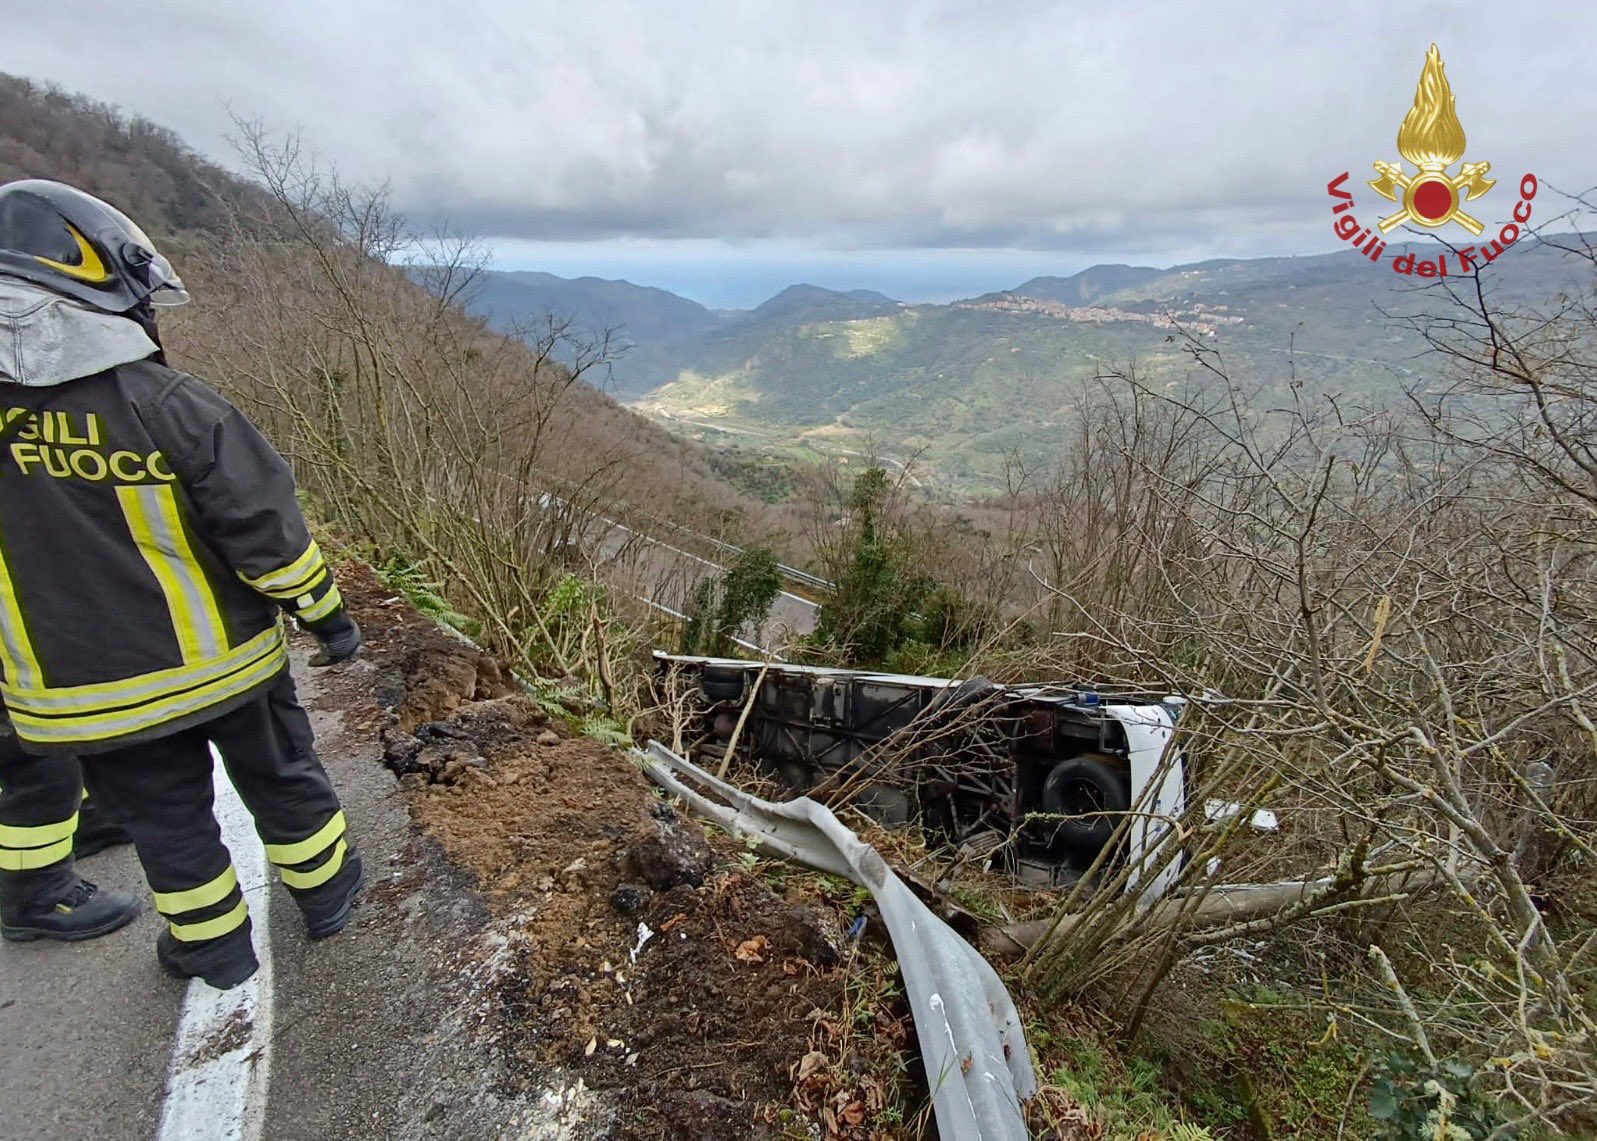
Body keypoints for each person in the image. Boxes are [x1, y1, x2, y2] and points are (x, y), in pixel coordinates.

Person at [0, 179, 364, 989]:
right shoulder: (166, 404)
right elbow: (266, 534)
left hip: (86, 697)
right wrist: (328, 615)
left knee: (169, 827)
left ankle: (213, 947)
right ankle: (329, 892)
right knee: (284, 779)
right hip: (228, 667)